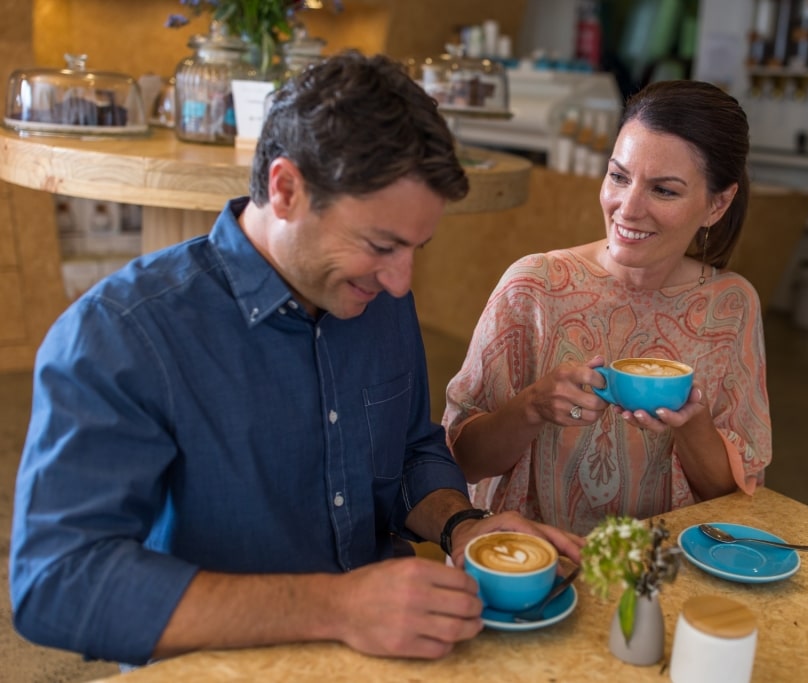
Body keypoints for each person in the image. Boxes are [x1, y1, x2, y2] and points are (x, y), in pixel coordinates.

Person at [9, 51, 581, 667]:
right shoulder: (120, 334)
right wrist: (337, 606)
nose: (400, 281)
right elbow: (55, 583)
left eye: (416, 247)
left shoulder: (377, 295)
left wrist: (463, 526)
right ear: (285, 189)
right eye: (382, 244)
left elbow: (413, 448)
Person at [444, 80, 771, 536]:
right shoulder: (535, 286)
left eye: (664, 190)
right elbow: (462, 460)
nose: (627, 208)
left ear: (717, 203)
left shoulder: (732, 305)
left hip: (660, 567)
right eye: (619, 177)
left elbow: (729, 499)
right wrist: (533, 406)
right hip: (538, 565)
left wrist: (691, 425)